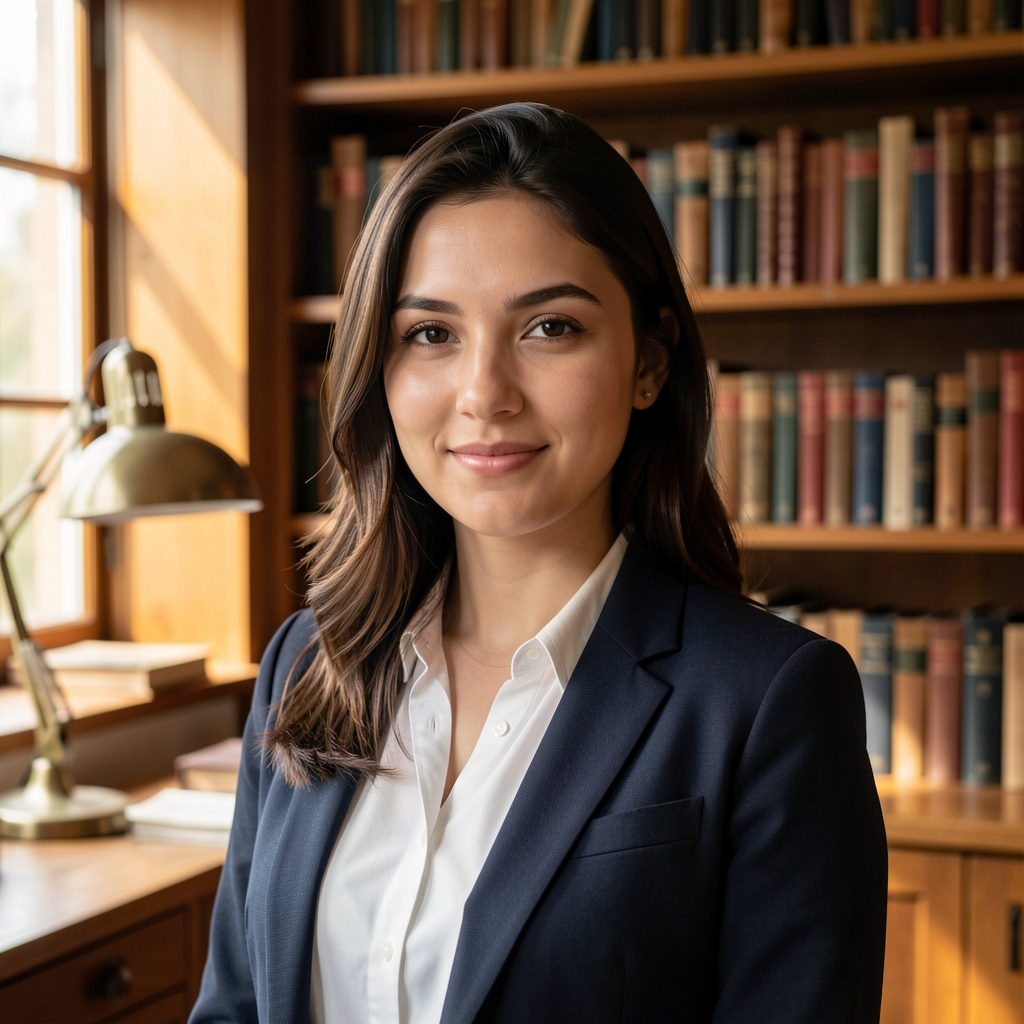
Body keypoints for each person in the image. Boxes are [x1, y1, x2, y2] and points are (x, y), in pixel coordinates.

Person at [190, 103, 887, 1024]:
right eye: (432, 334)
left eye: (549, 327)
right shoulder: (303, 664)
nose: (484, 395)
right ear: (380, 368)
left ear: (648, 361)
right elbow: (236, 1005)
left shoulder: (768, 702)